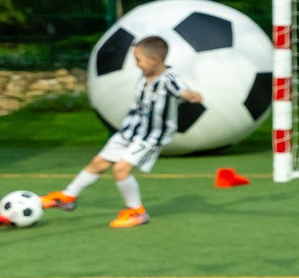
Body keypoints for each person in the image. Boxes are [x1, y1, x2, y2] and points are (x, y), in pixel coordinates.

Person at [45, 36, 203, 227]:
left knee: (120, 169)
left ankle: (137, 212)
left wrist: (189, 95)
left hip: (150, 137)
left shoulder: (169, 79)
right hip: (129, 131)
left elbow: (181, 90)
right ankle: (68, 197)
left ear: (154, 58)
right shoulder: (145, 75)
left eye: (138, 60)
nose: (137, 65)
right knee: (98, 162)